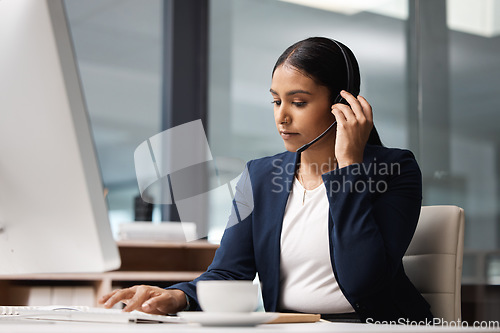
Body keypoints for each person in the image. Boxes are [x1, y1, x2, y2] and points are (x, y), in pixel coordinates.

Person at [99, 37, 433, 322]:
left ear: (341, 104)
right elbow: (229, 271)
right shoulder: (260, 175)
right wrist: (177, 297)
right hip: (290, 326)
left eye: (298, 102)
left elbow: (363, 280)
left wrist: (348, 166)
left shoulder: (396, 169)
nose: (281, 116)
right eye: (276, 101)